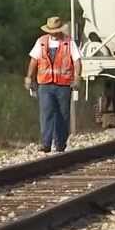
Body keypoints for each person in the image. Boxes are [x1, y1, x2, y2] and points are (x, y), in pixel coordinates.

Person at [25, 17, 82, 153]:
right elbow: (34, 60)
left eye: (56, 31)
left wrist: (77, 77)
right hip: (45, 84)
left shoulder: (69, 42)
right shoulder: (41, 42)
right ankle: (46, 144)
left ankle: (60, 144)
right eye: (51, 31)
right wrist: (29, 77)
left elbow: (77, 61)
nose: (54, 34)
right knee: (46, 113)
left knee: (63, 115)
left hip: (63, 85)